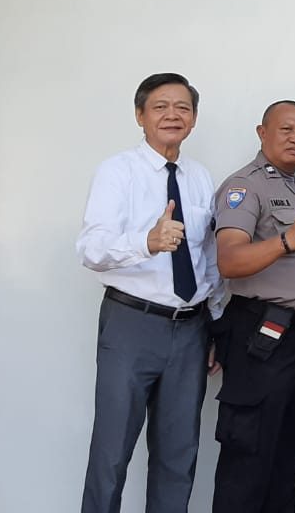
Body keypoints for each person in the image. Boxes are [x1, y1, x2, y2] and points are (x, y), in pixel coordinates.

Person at [77, 72, 221, 513]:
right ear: (140, 115)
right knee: (112, 452)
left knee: (179, 455)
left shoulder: (199, 177)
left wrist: (214, 324)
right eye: (160, 106)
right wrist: (147, 241)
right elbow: (90, 249)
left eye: (182, 107)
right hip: (130, 325)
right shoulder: (117, 171)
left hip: (191, 330)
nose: (172, 115)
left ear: (194, 119)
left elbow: (208, 258)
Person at [210, 100, 295, 513]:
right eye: (287, 129)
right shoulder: (245, 187)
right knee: (249, 462)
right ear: (262, 132)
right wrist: (286, 241)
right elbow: (229, 260)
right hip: (259, 341)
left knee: (285, 461)